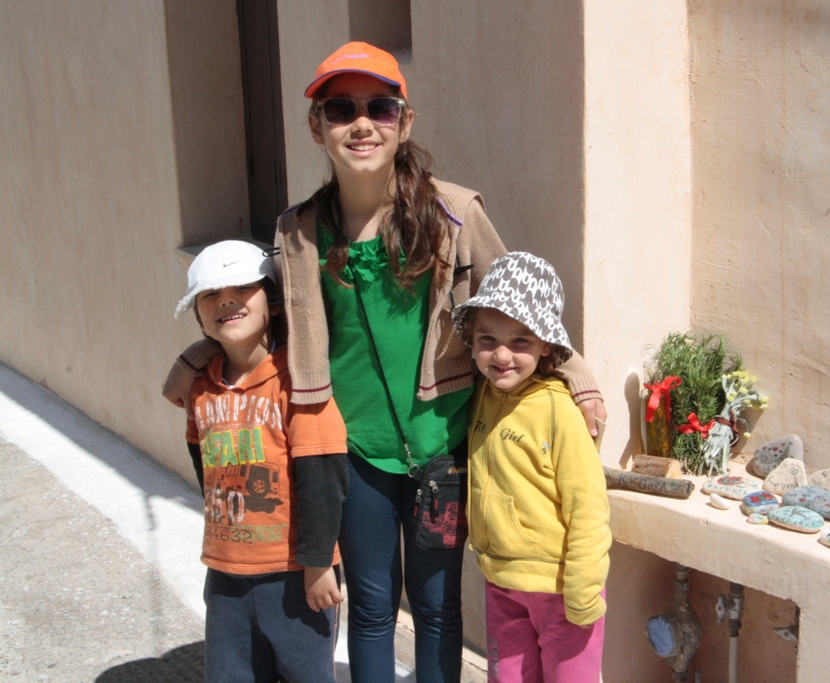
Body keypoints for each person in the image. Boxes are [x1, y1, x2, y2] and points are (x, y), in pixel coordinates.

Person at [163, 42, 606, 683]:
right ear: (317, 127)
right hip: (353, 450)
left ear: (405, 120)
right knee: (371, 604)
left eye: (380, 107)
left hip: (441, 448)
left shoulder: (456, 213)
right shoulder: (298, 232)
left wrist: (578, 375)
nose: (362, 123)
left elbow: (517, 304)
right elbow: (268, 321)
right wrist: (201, 352)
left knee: (436, 605)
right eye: (341, 109)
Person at [175, 240, 349, 682]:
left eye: (241, 289)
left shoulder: (298, 383)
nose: (227, 300)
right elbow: (207, 472)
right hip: (226, 574)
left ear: (271, 303)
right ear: (198, 314)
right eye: (210, 295)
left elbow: (322, 477)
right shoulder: (201, 389)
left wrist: (318, 564)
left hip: (294, 576)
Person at [451, 252, 611, 683]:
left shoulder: (559, 411)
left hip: (562, 592)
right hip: (501, 582)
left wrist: (583, 589)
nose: (502, 355)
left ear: (546, 346)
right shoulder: (482, 396)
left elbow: (588, 507)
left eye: (521, 342)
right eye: (487, 340)